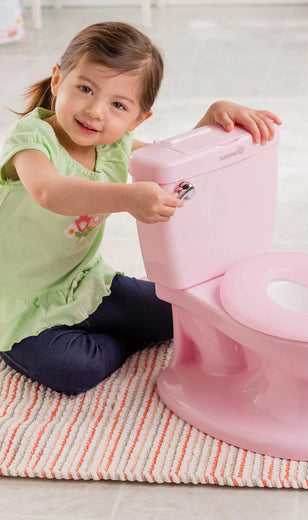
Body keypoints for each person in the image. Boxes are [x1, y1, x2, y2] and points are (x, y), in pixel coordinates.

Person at [0, 21, 281, 395]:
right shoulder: (32, 139)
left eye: (118, 105)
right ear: (57, 81)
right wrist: (128, 198)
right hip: (17, 300)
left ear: (138, 119)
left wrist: (213, 118)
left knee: (178, 315)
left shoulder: (115, 144)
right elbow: (50, 192)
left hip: (83, 281)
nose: (95, 111)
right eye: (85, 89)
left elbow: (175, 167)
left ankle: (100, 327)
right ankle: (114, 341)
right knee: (76, 369)